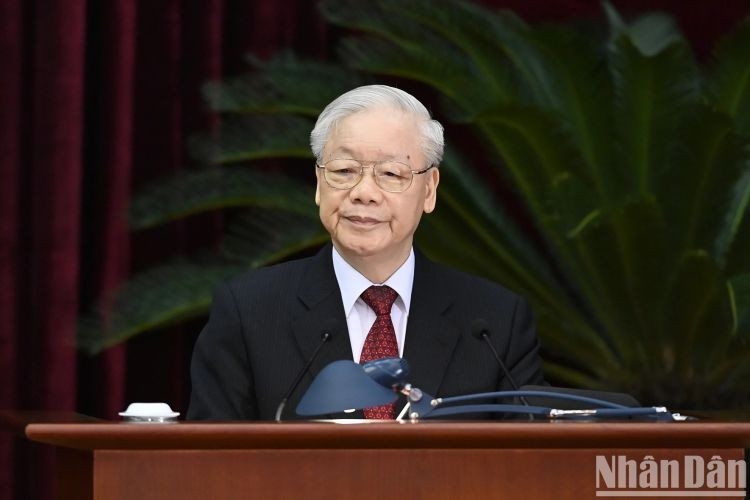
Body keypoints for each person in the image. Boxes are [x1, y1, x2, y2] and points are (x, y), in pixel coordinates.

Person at [187, 85, 543, 420]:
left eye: (391, 173)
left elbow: (529, 456)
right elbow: (211, 456)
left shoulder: (495, 323)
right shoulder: (249, 312)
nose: (364, 193)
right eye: (344, 170)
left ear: (429, 190)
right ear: (319, 183)